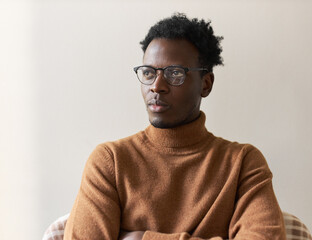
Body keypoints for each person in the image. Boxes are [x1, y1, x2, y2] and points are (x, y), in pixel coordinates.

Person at [64, 13, 286, 240]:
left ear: (206, 85)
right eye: (149, 73)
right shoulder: (111, 161)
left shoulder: (242, 163)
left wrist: (141, 238)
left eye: (175, 73)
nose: (157, 86)